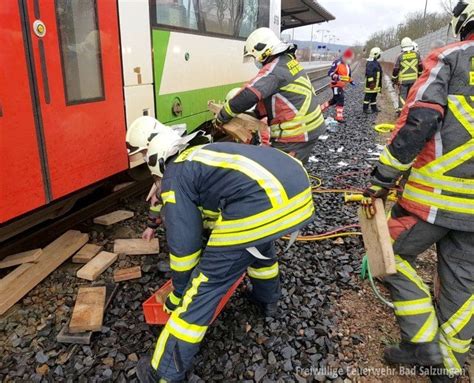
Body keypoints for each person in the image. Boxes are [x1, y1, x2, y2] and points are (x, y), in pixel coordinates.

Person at [136, 127, 315, 383]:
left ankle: (164, 373)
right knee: (258, 246)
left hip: (262, 200)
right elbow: (212, 211)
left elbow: (184, 248)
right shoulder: (200, 156)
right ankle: (267, 300)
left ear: (156, 161)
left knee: (204, 287)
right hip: (297, 191)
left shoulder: (175, 176)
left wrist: (179, 293)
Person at [362, 2, 474, 381]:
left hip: (434, 201)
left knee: (389, 255)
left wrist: (383, 177)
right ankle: (449, 365)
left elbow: (420, 119)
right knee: (463, 282)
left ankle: (422, 344)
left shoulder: (451, 58)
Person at [216, 27, 325, 164]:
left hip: (295, 134)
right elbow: (276, 98)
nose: (256, 60)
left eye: (254, 56)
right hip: (310, 127)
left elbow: (249, 95)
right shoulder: (288, 61)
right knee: (294, 170)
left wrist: (222, 116)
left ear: (263, 51)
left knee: (279, 174)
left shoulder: (274, 70)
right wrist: (256, 114)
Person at [321, 48, 356, 123]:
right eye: (349, 58)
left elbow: (347, 76)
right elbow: (330, 72)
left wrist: (351, 81)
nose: (350, 60)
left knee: (334, 100)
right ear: (345, 57)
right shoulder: (337, 63)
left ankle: (320, 109)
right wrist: (335, 76)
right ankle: (339, 116)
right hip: (336, 85)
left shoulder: (347, 65)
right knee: (340, 98)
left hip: (342, 85)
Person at [392, 37, 423, 113]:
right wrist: (419, 76)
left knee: (403, 95)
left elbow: (396, 69)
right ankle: (412, 111)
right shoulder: (417, 54)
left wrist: (394, 78)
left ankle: (402, 112)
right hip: (414, 81)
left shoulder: (400, 56)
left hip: (403, 81)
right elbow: (420, 67)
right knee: (412, 96)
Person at [363, 47, 383, 114]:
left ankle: (374, 108)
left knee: (374, 96)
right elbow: (369, 73)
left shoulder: (375, 62)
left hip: (375, 84)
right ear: (376, 54)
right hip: (371, 84)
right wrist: (371, 82)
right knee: (368, 96)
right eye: (379, 54)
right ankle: (365, 109)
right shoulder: (371, 63)